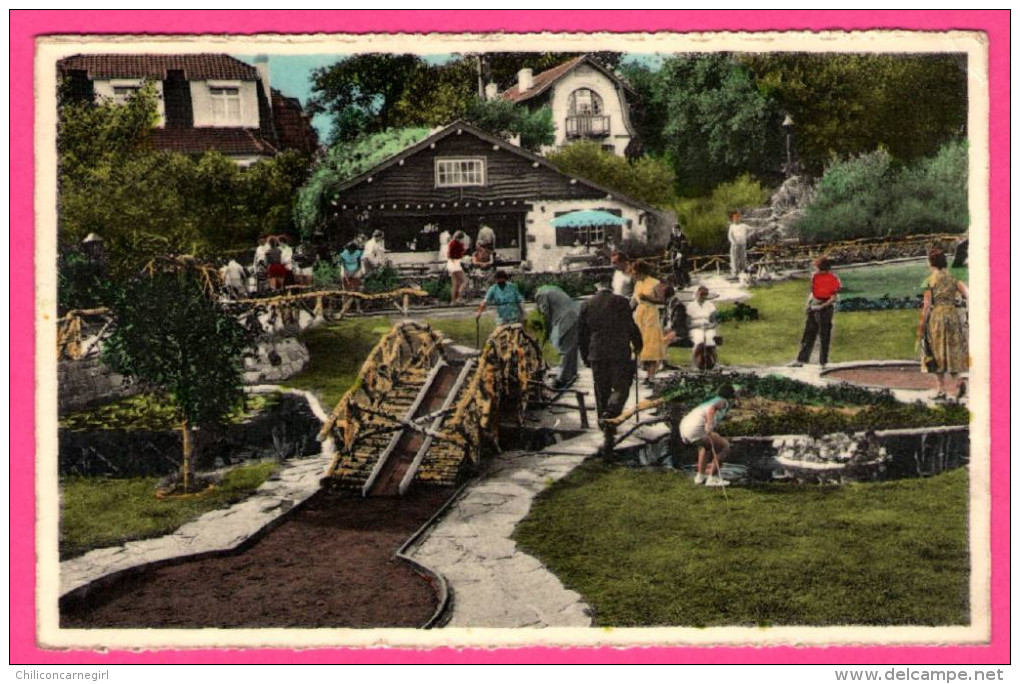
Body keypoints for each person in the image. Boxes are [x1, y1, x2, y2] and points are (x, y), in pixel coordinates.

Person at [579, 278, 643, 421]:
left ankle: (604, 420)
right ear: (611, 285)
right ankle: (612, 410)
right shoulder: (621, 301)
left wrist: (585, 357)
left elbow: (582, 335)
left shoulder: (586, 304)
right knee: (622, 386)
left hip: (597, 352)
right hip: (619, 350)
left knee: (601, 389)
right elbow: (630, 326)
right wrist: (638, 344)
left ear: (597, 286)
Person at [919, 248, 969, 400]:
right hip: (952, 316)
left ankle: (941, 389)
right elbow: (967, 295)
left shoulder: (929, 281)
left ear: (931, 263)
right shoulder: (953, 278)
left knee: (934, 351)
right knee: (953, 350)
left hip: (937, 317)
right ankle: (959, 381)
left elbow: (927, 306)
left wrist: (921, 325)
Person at [680, 383, 737, 487]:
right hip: (695, 429)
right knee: (725, 447)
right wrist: (709, 423)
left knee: (706, 446)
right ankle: (713, 479)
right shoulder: (723, 401)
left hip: (685, 428)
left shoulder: (713, 399)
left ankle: (700, 477)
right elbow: (712, 408)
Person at [790, 256, 841, 368]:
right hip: (813, 307)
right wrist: (809, 304)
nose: (815, 268)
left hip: (825, 309)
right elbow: (813, 292)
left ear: (821, 267)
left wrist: (822, 306)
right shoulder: (815, 277)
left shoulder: (832, 278)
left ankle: (823, 362)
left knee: (824, 335)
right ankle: (801, 360)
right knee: (808, 334)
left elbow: (833, 298)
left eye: (816, 266)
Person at [535, 284, 581, 389]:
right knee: (571, 347)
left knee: (563, 348)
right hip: (576, 314)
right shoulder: (552, 288)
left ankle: (561, 379)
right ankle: (571, 374)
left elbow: (545, 314)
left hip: (565, 318)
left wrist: (546, 332)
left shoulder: (540, 294)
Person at [631, 260, 668, 381]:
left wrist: (648, 298)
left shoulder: (655, 283)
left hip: (651, 315)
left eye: (636, 273)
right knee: (638, 342)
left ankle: (651, 375)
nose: (634, 276)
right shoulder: (638, 284)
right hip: (640, 315)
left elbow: (662, 300)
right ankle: (641, 371)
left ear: (642, 272)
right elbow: (634, 300)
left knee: (650, 345)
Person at [686, 286, 719, 370]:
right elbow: (687, 324)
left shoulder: (709, 305)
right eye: (702, 294)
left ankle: (715, 362)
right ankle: (694, 363)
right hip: (695, 327)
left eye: (705, 294)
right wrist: (698, 326)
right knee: (700, 339)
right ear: (697, 294)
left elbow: (714, 321)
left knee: (710, 339)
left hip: (708, 327)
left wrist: (710, 326)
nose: (704, 296)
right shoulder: (690, 306)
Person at [447, 231, 468, 304]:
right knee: (465, 281)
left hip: (450, 263)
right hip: (456, 263)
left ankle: (453, 301)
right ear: (461, 238)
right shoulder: (459, 244)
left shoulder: (451, 243)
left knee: (454, 283)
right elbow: (462, 254)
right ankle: (459, 298)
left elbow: (449, 254)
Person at [728, 210, 750, 278]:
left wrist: (747, 237)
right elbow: (730, 236)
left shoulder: (744, 226)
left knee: (743, 258)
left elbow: (752, 230)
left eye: (738, 218)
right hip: (735, 244)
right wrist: (733, 242)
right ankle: (735, 273)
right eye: (735, 218)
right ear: (733, 219)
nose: (736, 219)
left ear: (740, 218)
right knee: (735, 259)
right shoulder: (732, 226)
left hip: (742, 244)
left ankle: (743, 271)